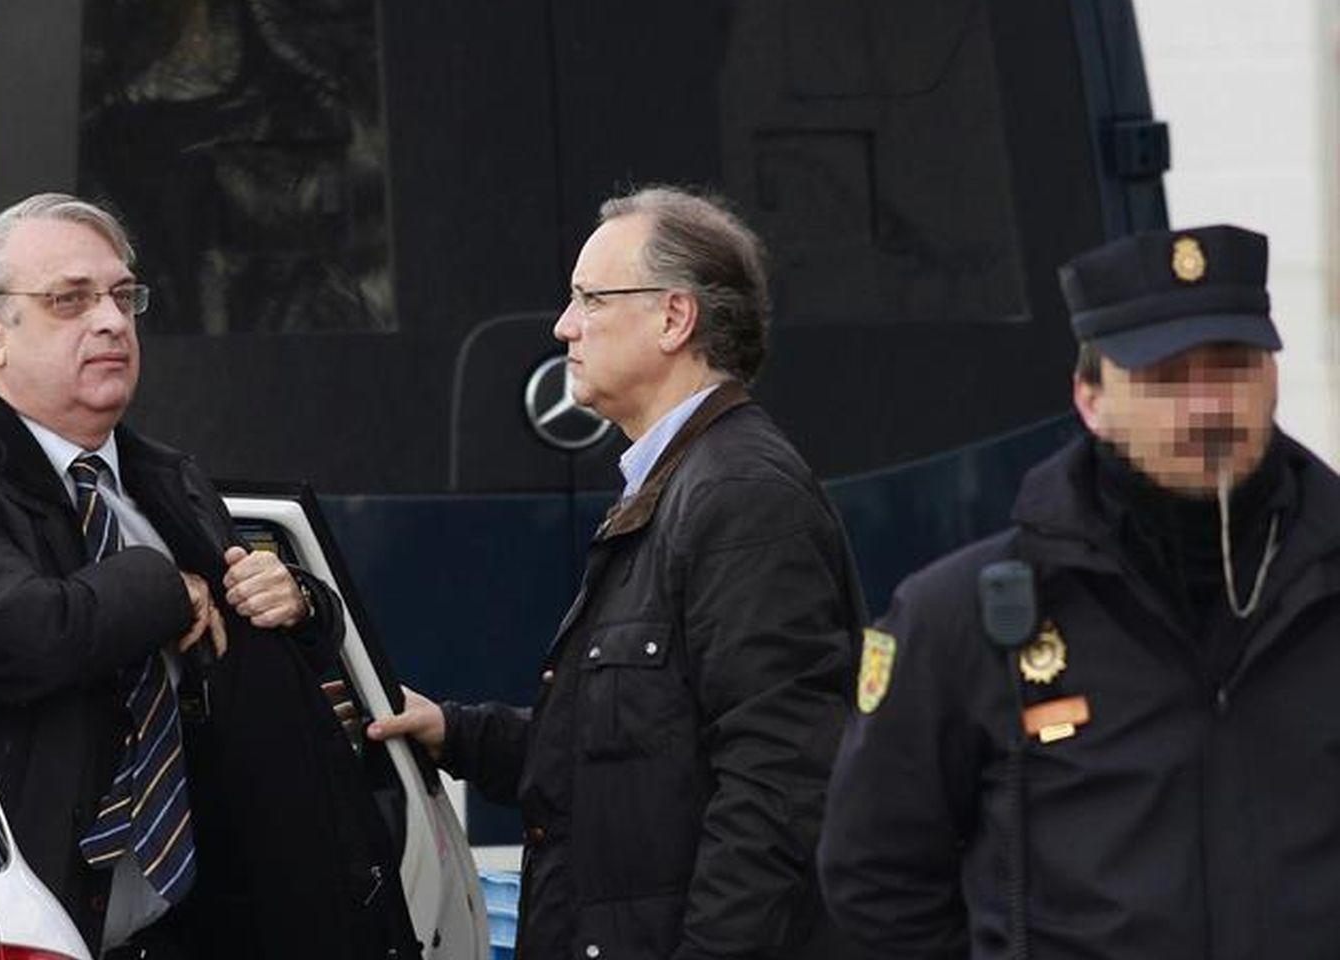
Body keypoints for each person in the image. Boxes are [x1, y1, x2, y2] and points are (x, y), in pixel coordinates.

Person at [0, 193, 415, 958]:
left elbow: (254, 654)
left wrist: (300, 601)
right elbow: (35, 637)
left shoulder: (167, 476)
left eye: (123, 296)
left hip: (215, 916)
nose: (110, 321)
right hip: (54, 919)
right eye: (70, 300)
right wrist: (166, 585)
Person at [367, 186, 866, 959]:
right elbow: (633, 755)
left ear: (674, 318)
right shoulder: (677, 483)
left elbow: (776, 785)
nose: (564, 327)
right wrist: (457, 734)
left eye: (591, 299)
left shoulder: (742, 495)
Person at [819, 225, 1340, 958]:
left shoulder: (1323, 581)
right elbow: (875, 876)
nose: (1207, 408)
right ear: (1090, 399)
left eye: (1234, 368)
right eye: (1165, 377)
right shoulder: (962, 615)